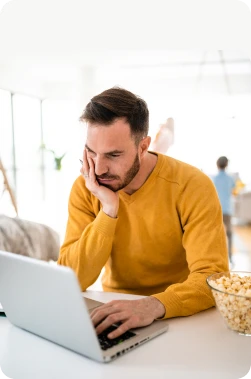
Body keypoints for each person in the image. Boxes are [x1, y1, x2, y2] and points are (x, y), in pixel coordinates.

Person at [58, 87, 228, 340]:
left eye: (114, 155)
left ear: (143, 146)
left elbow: (212, 278)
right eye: (91, 153)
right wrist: (108, 210)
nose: (100, 168)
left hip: (179, 312)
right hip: (114, 309)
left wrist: (154, 305)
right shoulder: (86, 188)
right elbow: (72, 280)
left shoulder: (192, 185)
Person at [213, 156, 236, 263]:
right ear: (227, 165)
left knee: (216, 235)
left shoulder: (214, 178)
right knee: (229, 234)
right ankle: (230, 257)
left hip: (216, 210)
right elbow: (234, 191)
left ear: (217, 165)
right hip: (227, 209)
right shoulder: (230, 178)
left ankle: (216, 258)